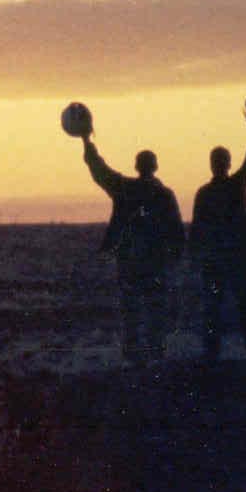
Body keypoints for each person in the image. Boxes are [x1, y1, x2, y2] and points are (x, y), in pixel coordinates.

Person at [81, 136, 184, 366]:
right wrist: (177, 255)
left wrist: (87, 141)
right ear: (155, 167)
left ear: (137, 167)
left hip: (129, 259)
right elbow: (176, 229)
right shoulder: (164, 195)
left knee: (131, 309)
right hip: (155, 260)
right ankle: (154, 352)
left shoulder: (125, 188)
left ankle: (133, 354)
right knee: (154, 307)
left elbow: (99, 170)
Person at [189, 120, 246, 362]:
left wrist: (193, 255)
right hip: (234, 255)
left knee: (214, 305)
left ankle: (213, 350)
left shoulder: (205, 193)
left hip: (214, 257)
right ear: (227, 164)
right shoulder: (237, 184)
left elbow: (196, 229)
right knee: (243, 302)